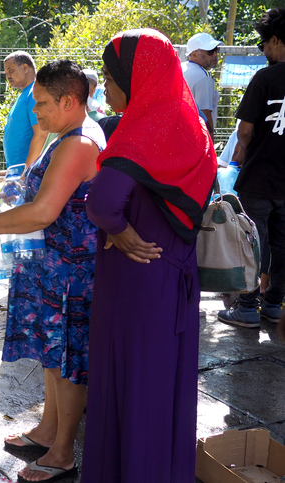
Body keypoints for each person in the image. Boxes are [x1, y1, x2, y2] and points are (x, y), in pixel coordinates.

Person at [82, 29, 217, 482]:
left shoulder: (142, 129)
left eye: (110, 75)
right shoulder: (191, 125)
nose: (106, 86)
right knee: (165, 389)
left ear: (134, 76)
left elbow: (102, 204)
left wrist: (117, 231)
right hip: (176, 278)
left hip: (135, 282)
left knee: (131, 388)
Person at [0, 60, 105, 483]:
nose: (37, 113)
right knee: (53, 356)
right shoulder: (66, 133)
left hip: (70, 273)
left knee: (67, 363)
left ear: (69, 101)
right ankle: (49, 430)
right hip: (53, 267)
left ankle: (63, 452)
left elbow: (45, 211)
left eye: (43, 104)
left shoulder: (79, 142)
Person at [218, 7, 285, 329]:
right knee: (282, 242)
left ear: (275, 40)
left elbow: (244, 130)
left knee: (252, 240)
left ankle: (246, 306)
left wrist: (242, 154)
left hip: (260, 176)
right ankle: (274, 305)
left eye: (264, 45)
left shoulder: (265, 78)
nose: (264, 51)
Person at [3, 51, 48, 168]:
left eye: (10, 70)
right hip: (17, 172)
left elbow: (41, 134)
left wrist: (26, 173)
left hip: (25, 174)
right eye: (6, 72)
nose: (8, 76)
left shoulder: (34, 94)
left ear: (25, 67)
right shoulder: (26, 94)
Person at [181, 32, 224, 136]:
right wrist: (210, 149)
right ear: (194, 54)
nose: (215, 55)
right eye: (210, 51)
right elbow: (205, 117)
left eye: (216, 50)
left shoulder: (180, 68)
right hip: (194, 138)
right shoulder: (204, 78)